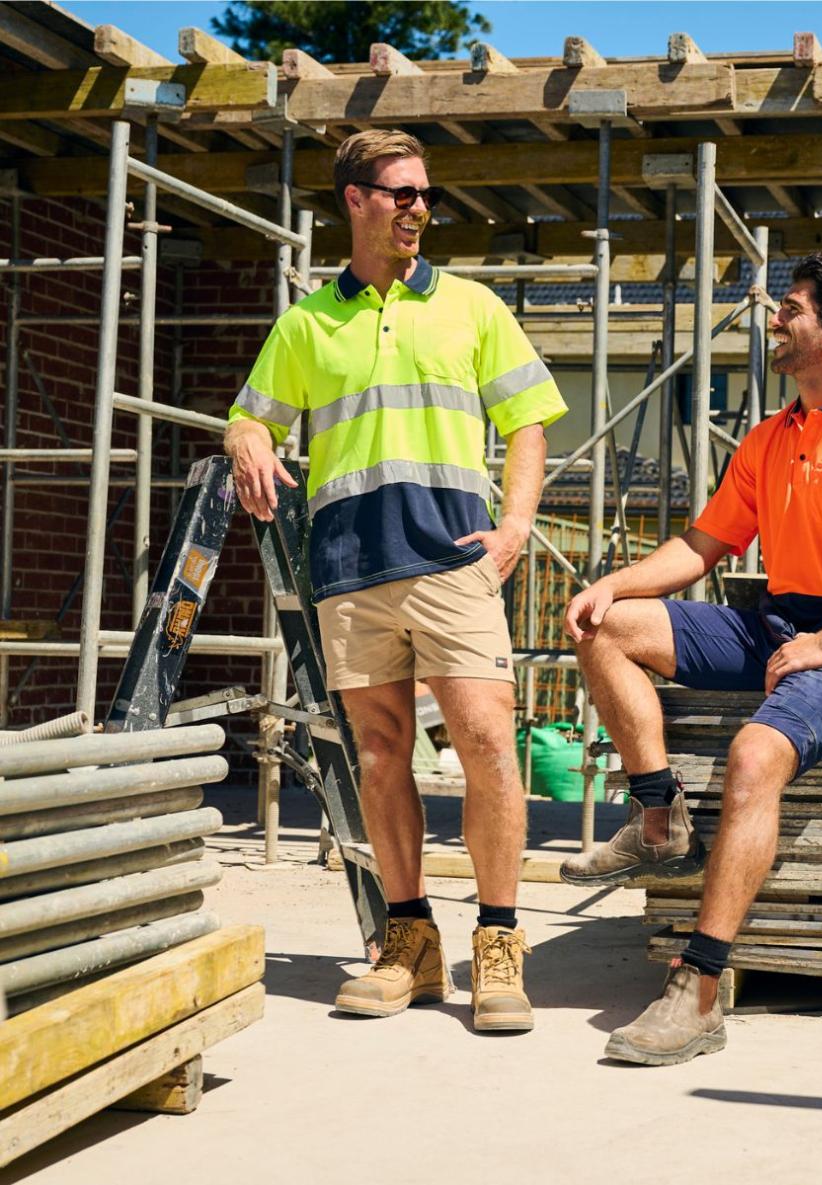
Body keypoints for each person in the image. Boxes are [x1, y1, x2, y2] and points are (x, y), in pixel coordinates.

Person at [225, 130, 567, 1033]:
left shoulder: (472, 306)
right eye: (401, 193)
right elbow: (247, 420)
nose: (419, 208)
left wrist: (517, 527)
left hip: (452, 558)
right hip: (348, 564)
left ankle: (498, 942)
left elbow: (530, 419)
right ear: (354, 199)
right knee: (380, 754)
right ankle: (408, 943)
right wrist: (250, 440)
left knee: (488, 743)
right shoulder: (306, 322)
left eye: (426, 195)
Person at [560, 255, 822, 1065]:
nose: (773, 318)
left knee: (752, 753)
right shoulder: (770, 437)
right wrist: (613, 584)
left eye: (791, 308)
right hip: (776, 622)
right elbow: (703, 544)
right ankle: (659, 818)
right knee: (606, 630)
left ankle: (697, 991)